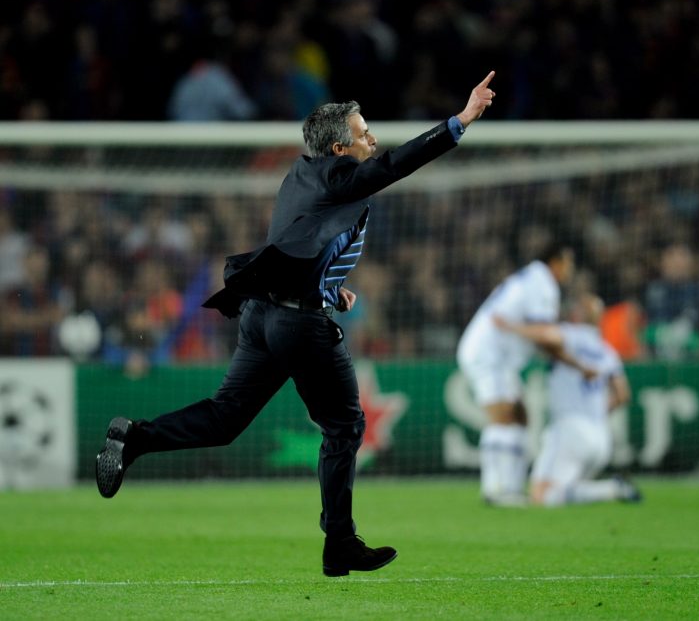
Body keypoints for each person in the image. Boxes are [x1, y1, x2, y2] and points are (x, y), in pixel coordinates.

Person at [95, 71, 499, 576]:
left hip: (263, 315)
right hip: (299, 325)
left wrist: (328, 286)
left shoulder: (302, 174)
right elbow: (394, 165)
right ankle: (340, 542)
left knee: (225, 418)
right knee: (345, 426)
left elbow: (298, 240)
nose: (373, 140)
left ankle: (134, 438)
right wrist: (459, 121)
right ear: (339, 148)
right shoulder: (339, 175)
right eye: (363, 134)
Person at [456, 243, 590, 506]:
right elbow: (544, 335)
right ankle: (495, 489)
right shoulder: (543, 283)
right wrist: (576, 362)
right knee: (503, 417)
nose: (571, 270)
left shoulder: (531, 278)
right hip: (490, 355)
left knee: (520, 416)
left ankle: (513, 486)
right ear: (556, 261)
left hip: (501, 359)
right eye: (569, 263)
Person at [494, 294, 639, 506]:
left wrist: (511, 327)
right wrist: (597, 412)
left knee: (542, 495)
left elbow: (545, 336)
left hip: (570, 429)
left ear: (577, 315)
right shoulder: (607, 352)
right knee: (565, 490)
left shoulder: (570, 335)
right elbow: (623, 395)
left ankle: (610, 489)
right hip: (600, 436)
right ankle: (611, 488)